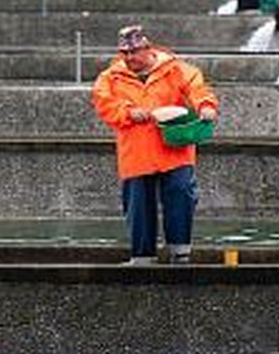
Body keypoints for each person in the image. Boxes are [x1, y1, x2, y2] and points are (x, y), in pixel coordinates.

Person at [91, 24, 219, 265]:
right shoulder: (108, 78)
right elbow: (104, 104)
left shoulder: (178, 70)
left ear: (148, 49)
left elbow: (198, 89)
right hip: (136, 153)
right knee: (138, 206)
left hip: (175, 149)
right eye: (124, 53)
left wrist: (206, 107)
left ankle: (180, 253)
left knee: (181, 194)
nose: (129, 58)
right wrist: (128, 112)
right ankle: (142, 257)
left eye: (134, 52)